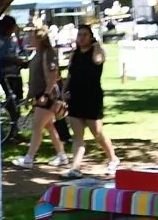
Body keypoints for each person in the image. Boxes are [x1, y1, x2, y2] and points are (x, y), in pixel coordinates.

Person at [63, 23, 120, 179]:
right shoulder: (75, 54)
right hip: (75, 96)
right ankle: (75, 167)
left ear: (91, 36)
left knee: (97, 132)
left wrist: (95, 45)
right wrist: (64, 91)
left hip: (92, 97)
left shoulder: (97, 51)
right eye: (79, 35)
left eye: (85, 35)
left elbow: (97, 60)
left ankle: (113, 159)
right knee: (78, 135)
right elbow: (70, 74)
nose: (81, 38)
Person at [11, 28, 68, 169]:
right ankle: (62, 156)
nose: (29, 39)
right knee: (49, 126)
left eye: (32, 37)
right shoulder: (38, 53)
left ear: (39, 39)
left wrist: (46, 95)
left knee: (37, 127)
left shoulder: (48, 54)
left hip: (46, 95)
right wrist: (30, 97)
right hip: (39, 95)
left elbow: (53, 75)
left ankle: (29, 158)